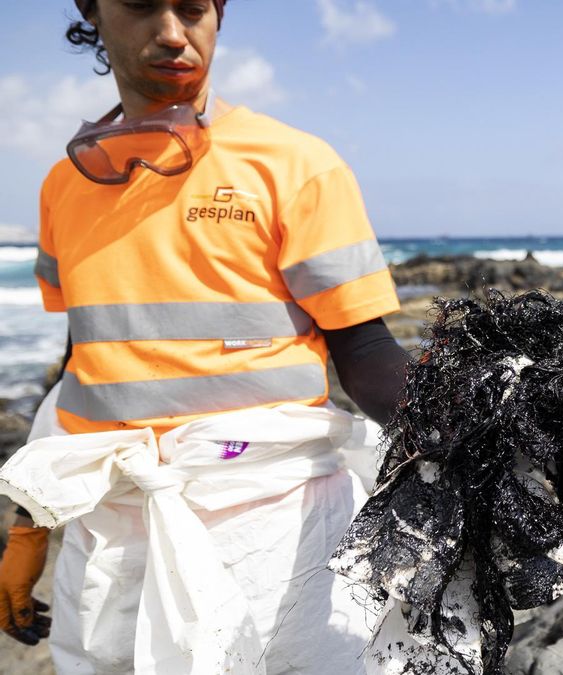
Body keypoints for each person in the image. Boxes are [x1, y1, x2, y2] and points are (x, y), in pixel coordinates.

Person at [0, 1, 411, 672]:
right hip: (114, 542)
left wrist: (475, 436)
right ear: (92, 11)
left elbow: (365, 353)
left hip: (277, 538)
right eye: (142, 5)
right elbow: (88, 362)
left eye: (193, 8)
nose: (172, 33)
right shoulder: (63, 185)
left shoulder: (295, 163)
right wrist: (29, 522)